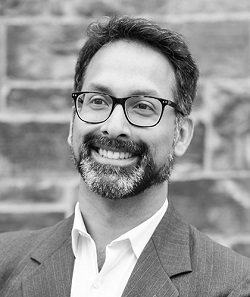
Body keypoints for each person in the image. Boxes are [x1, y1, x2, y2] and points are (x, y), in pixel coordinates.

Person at [0, 15, 250, 297]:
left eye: (143, 106)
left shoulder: (235, 285)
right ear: (73, 122)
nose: (115, 127)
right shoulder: (4, 263)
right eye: (97, 101)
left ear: (181, 135)